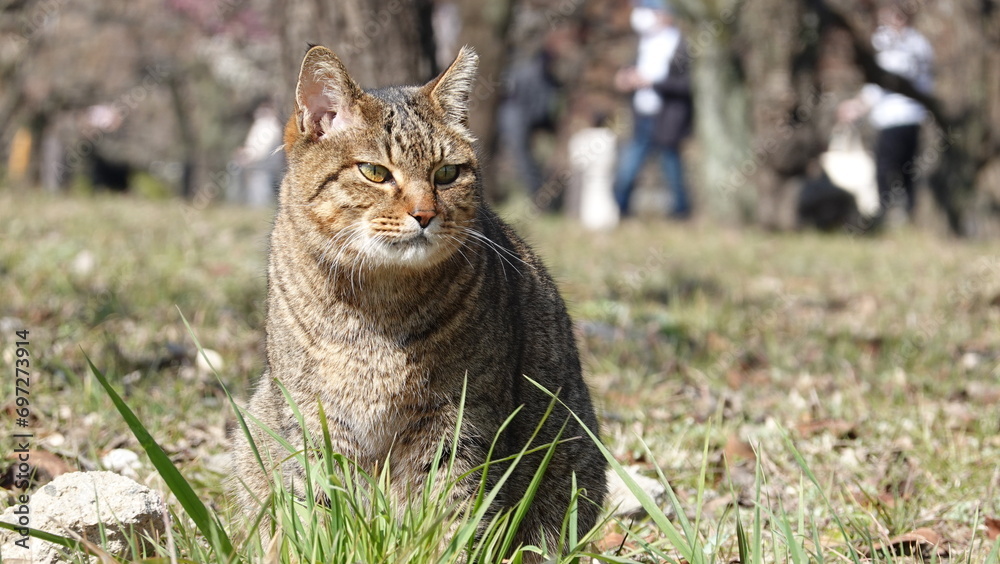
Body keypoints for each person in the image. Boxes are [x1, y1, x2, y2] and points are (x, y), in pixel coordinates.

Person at [838, 1, 933, 223]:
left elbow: (881, 84)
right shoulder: (920, 43)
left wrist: (858, 106)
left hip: (895, 117)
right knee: (905, 169)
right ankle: (904, 214)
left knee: (887, 168)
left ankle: (887, 215)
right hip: (911, 116)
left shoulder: (893, 45)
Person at [612, 0, 693, 220]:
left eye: (649, 9)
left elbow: (686, 85)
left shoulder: (681, 44)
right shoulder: (643, 43)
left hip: (668, 119)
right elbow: (631, 72)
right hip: (642, 117)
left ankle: (681, 215)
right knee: (628, 168)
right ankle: (621, 212)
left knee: (672, 170)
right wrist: (625, 79)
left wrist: (652, 83)